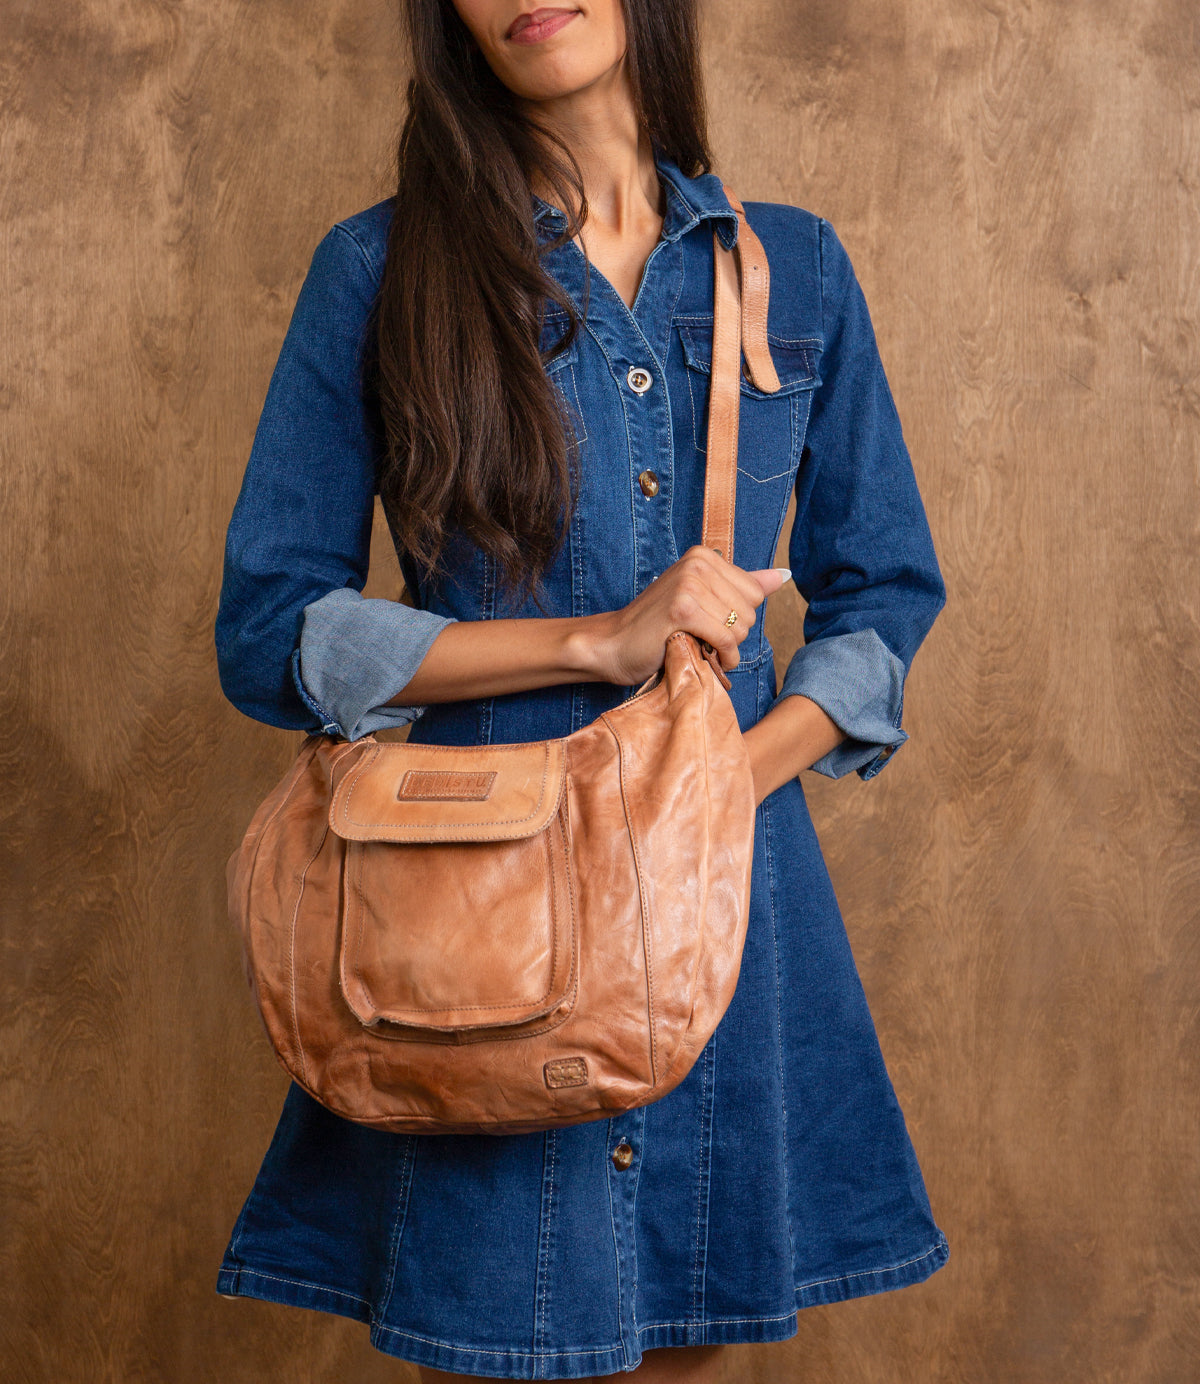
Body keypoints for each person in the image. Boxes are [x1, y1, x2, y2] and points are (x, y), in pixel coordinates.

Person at [213, 2, 950, 1379]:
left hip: (725, 906)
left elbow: (884, 601)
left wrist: (717, 776)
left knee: (686, 1344)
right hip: (468, 929)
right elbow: (271, 633)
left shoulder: (794, 268)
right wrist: (599, 645)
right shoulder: (378, 272)